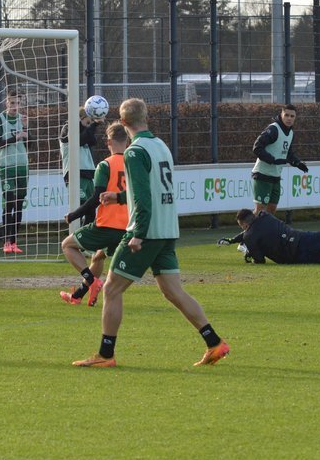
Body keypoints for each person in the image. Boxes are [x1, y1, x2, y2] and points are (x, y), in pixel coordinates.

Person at [73, 98, 230, 368]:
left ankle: (105, 355)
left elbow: (144, 197)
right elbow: (153, 189)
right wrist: (119, 197)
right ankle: (214, 342)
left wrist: (138, 233)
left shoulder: (135, 152)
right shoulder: (160, 145)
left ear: (123, 122)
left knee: (111, 289)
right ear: (146, 117)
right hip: (167, 228)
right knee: (173, 291)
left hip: (147, 231)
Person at [59, 122, 130, 307]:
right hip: (128, 227)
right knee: (98, 256)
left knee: (67, 245)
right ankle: (78, 296)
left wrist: (74, 215)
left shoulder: (105, 165)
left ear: (108, 141)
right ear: (127, 141)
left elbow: (96, 198)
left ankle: (92, 280)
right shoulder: (134, 164)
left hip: (107, 224)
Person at [251, 104, 308, 216]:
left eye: (292, 116)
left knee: (271, 210)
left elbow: (288, 154)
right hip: (262, 175)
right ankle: (247, 228)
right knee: (259, 211)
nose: (289, 118)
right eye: (286, 115)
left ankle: (263, 229)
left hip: (275, 177)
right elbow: (257, 147)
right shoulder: (273, 129)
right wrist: (271, 160)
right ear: (281, 115)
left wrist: (298, 163)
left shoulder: (290, 133)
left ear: (295, 118)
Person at [0, 88, 29, 253]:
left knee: (19, 205)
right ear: (7, 103)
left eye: (18, 103)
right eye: (12, 103)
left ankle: (14, 242)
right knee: (9, 203)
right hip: (6, 166)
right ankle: (6, 242)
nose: (15, 106)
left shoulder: (22, 119)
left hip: (22, 166)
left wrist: (27, 130)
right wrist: (16, 137)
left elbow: (29, 144)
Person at [60, 108, 101, 207]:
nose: (89, 124)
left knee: (91, 208)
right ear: (80, 118)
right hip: (74, 173)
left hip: (88, 173)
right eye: (88, 121)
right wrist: (94, 124)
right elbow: (80, 141)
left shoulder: (85, 131)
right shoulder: (67, 128)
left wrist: (93, 124)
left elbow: (93, 141)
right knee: (79, 205)